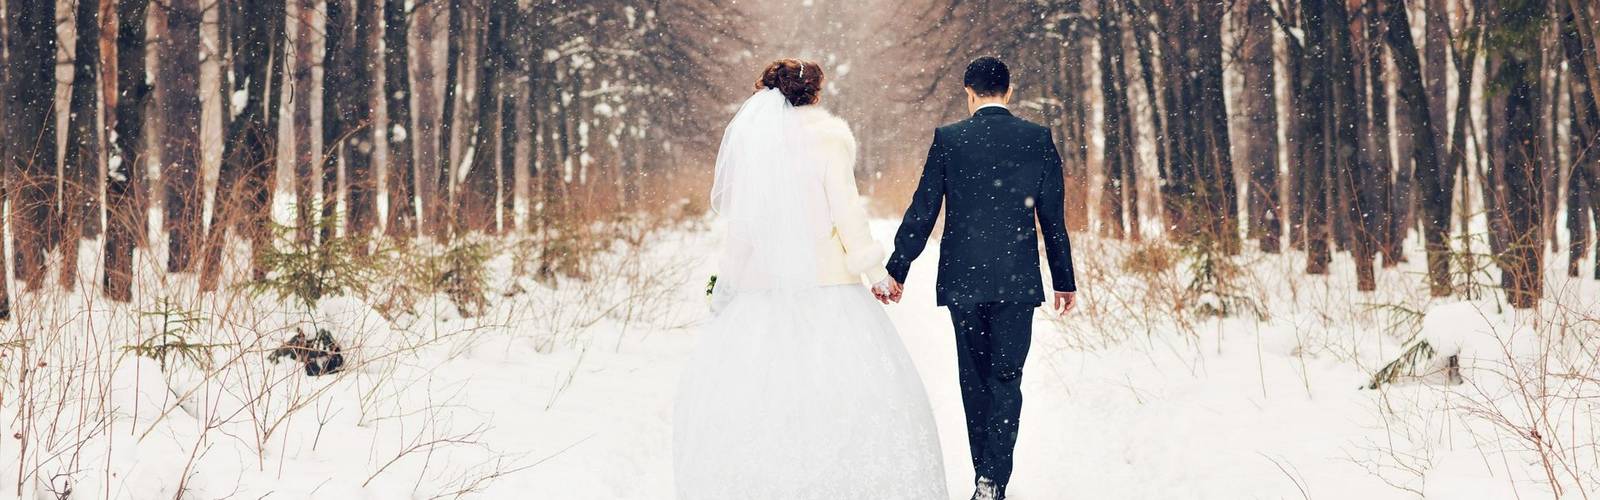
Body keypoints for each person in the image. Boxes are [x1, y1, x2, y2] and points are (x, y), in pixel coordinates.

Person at [672, 59, 947, 500]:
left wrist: (726, 286)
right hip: (830, 284)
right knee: (839, 390)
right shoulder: (828, 140)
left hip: (761, 287)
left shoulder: (755, 145)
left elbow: (742, 227)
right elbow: (846, 210)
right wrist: (876, 273)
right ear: (815, 94)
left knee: (762, 390)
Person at [879, 55, 1079, 500]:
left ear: (969, 93)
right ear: (1008, 92)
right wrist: (1064, 279)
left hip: (963, 281)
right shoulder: (1037, 139)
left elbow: (922, 209)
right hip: (1017, 281)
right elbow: (1053, 219)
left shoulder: (950, 140)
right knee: (1007, 378)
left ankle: (984, 478)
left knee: (974, 379)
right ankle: (993, 479)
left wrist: (898, 268)